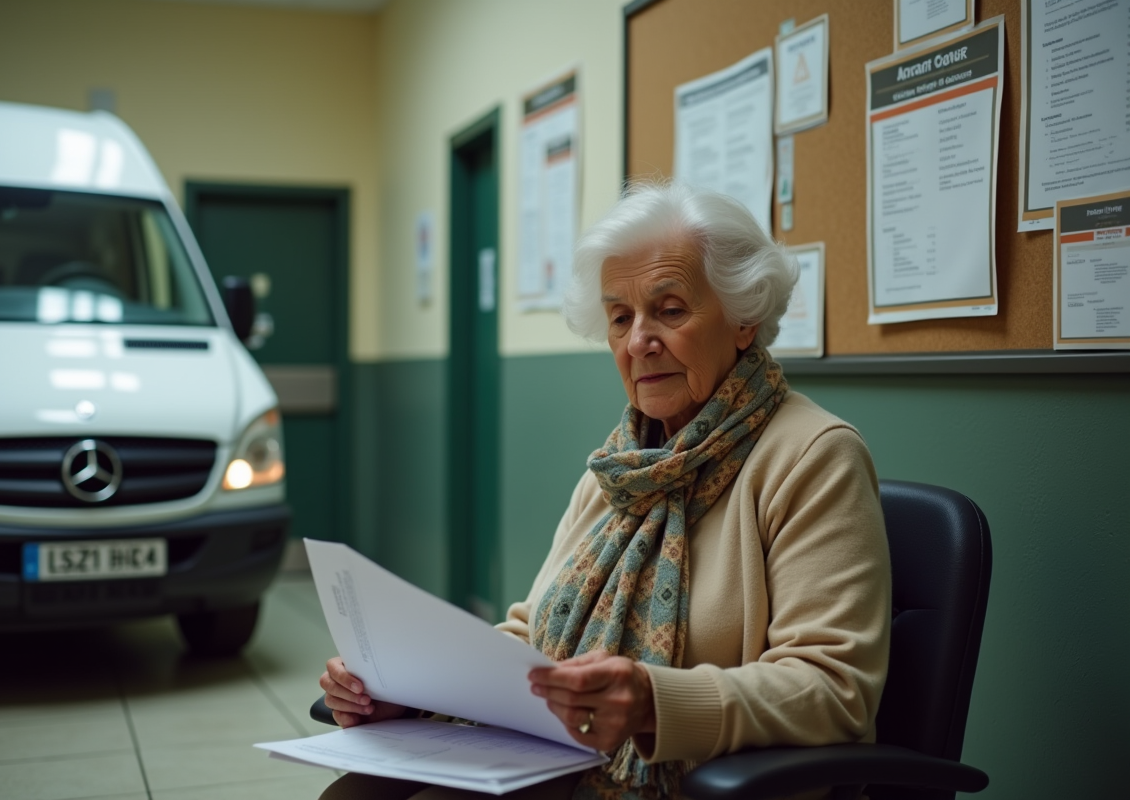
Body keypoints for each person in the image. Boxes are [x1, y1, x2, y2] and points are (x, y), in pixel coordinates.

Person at [318, 182, 891, 800]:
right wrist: (411, 694)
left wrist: (653, 703)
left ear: (743, 318)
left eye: (670, 309)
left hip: (699, 781)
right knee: (355, 793)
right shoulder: (619, 467)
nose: (638, 340)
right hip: (561, 756)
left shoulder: (814, 455)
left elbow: (834, 690)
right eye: (621, 317)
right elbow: (533, 635)